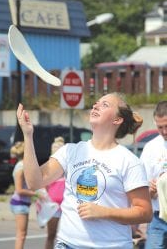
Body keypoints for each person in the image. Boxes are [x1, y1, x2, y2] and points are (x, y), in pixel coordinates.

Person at [17, 92, 153, 249]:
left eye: (105, 105)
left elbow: (145, 212)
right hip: (67, 244)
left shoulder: (129, 161)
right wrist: (28, 135)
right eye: (96, 103)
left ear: (117, 120)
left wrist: (103, 212)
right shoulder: (70, 151)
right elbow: (34, 181)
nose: (95, 105)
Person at [140, 100, 167, 249]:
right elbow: (139, 187)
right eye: (160, 127)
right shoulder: (151, 148)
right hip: (158, 219)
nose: (164, 132)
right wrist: (149, 190)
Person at [10, 141, 44, 249]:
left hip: (22, 202)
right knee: (21, 234)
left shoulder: (22, 165)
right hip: (19, 203)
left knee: (22, 234)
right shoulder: (20, 168)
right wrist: (36, 194)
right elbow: (19, 190)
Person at [45, 136, 65, 249]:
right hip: (53, 207)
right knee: (51, 235)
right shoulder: (48, 166)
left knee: (66, 237)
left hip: (67, 206)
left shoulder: (69, 166)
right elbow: (43, 187)